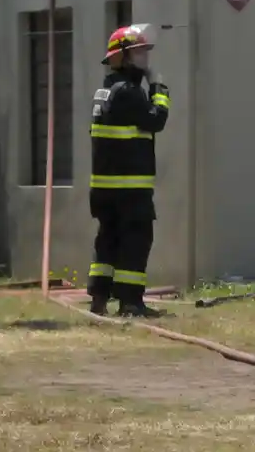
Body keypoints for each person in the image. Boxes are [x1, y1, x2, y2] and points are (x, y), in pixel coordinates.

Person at [88, 23, 171, 317]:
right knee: (136, 242)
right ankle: (131, 303)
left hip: (104, 187)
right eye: (138, 54)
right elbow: (156, 121)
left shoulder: (106, 90)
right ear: (121, 57)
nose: (144, 60)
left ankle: (99, 298)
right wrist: (160, 90)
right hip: (129, 188)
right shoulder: (129, 92)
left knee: (108, 241)